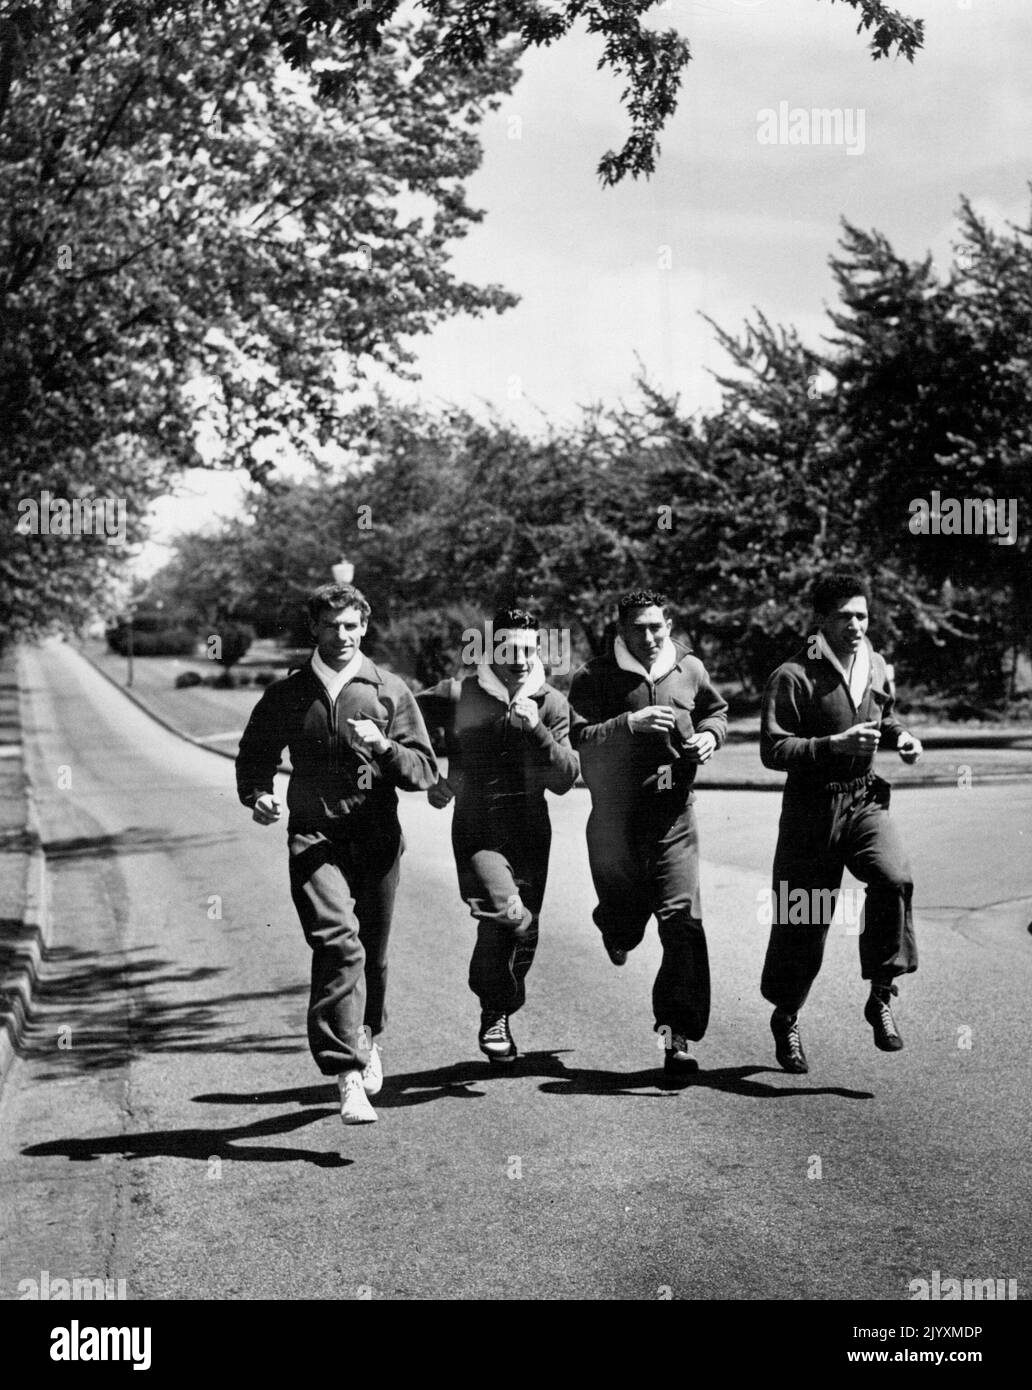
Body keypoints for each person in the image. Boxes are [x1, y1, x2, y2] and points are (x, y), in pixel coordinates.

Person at [235, 583, 438, 1123]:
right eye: (331, 625)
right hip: (312, 835)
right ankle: (347, 1073)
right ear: (315, 629)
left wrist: (384, 747)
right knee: (337, 943)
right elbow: (254, 756)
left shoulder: (388, 689)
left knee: (373, 951)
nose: (342, 635)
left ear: (364, 628)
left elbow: (424, 771)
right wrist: (258, 794)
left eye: (351, 625)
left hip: (375, 836)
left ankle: (367, 1034)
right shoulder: (288, 693)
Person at [759, 570, 922, 1074]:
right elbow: (772, 748)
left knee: (894, 877)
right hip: (811, 810)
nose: (855, 625)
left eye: (862, 615)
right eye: (844, 617)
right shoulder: (793, 675)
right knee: (804, 921)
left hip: (864, 800)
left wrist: (902, 737)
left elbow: (881, 715)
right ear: (821, 621)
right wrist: (830, 746)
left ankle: (880, 995)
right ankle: (786, 1016)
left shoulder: (873, 663)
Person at [568, 590, 728, 1076]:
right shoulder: (593, 677)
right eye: (639, 627)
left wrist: (709, 736)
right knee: (625, 920)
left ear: (669, 622)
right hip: (616, 822)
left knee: (682, 922)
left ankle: (676, 1036)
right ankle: (615, 926)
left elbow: (715, 712)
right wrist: (627, 723)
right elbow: (575, 739)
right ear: (621, 630)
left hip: (674, 818)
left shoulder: (689, 668)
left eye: (658, 626)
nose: (651, 635)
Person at [416, 609, 579, 1063]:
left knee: (526, 926)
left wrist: (538, 731)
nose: (521, 659)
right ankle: (495, 1008)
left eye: (530, 649)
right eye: (509, 650)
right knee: (508, 916)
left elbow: (565, 778)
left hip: (530, 832)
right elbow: (403, 719)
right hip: (477, 828)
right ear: (489, 652)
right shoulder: (459, 693)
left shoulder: (550, 702)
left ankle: (497, 1008)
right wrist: (433, 775)